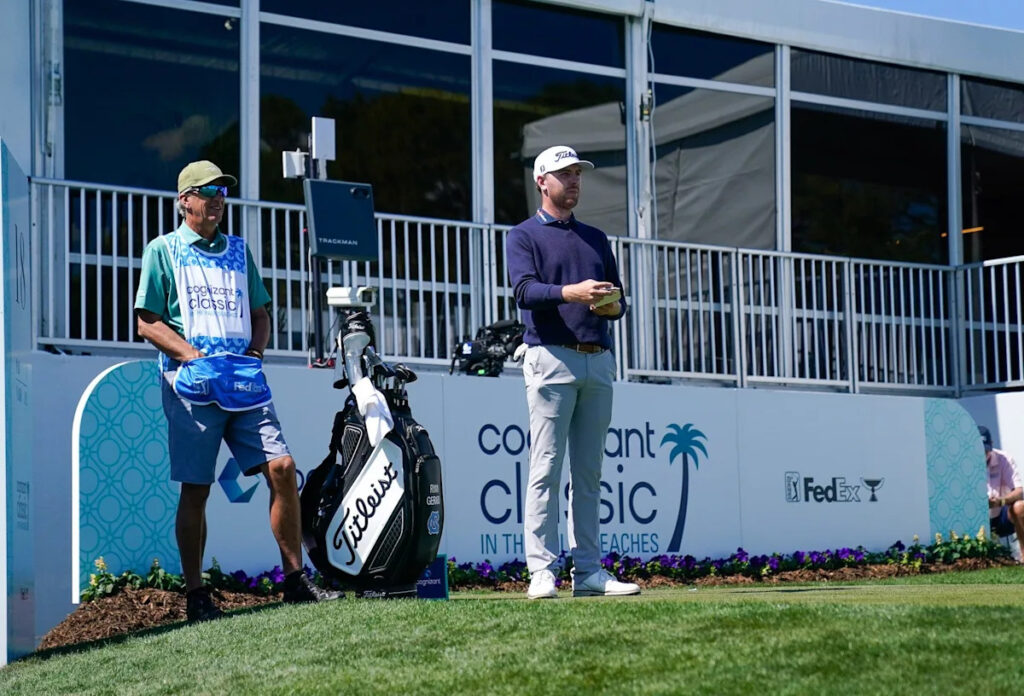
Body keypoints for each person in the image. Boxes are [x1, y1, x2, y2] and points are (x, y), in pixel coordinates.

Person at [135, 160, 340, 621]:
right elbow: (147, 322)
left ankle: (294, 580)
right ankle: (196, 595)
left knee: (283, 468)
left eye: (222, 192)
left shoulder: (239, 251)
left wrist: (256, 355)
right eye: (207, 191)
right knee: (197, 489)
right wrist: (192, 356)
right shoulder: (162, 251)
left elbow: (261, 314)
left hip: (245, 385)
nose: (217, 199)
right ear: (184, 200)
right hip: (192, 387)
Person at [505, 145, 640, 599]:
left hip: (597, 358)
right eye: (565, 174)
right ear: (542, 181)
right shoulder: (523, 235)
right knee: (545, 468)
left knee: (588, 473)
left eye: (578, 173)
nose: (575, 181)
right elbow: (524, 292)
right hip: (550, 357)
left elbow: (619, 301)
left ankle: (588, 573)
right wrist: (572, 292)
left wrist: (612, 304)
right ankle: (542, 571)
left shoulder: (597, 238)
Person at [980, 426, 1024, 561]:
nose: (983, 453)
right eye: (979, 450)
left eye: (986, 449)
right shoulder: (963, 463)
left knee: (1020, 506)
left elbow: (1019, 492)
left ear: (991, 445)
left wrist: (1001, 501)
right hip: (976, 520)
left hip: (1000, 517)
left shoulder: (1004, 459)